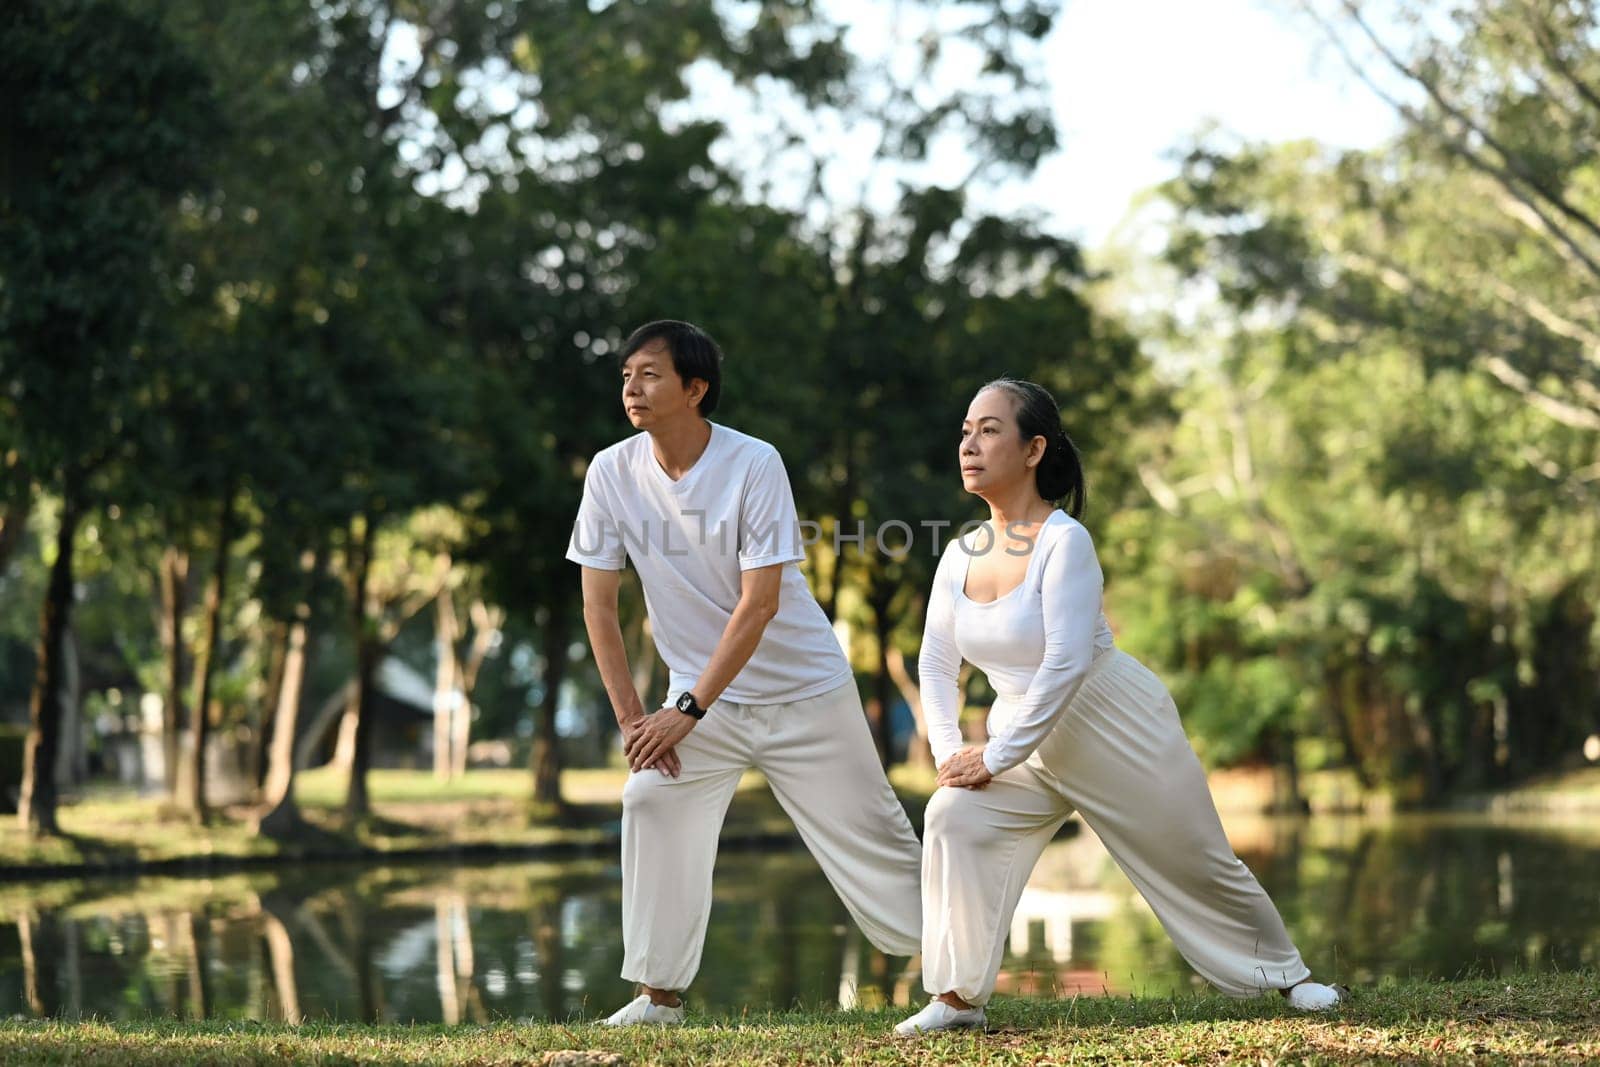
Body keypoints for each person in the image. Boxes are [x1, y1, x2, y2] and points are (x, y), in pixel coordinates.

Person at [895, 378, 1344, 1036]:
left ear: (1032, 449)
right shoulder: (959, 554)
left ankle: (1289, 976)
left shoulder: (1063, 542)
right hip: (1022, 737)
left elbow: (1066, 662)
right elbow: (936, 663)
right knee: (955, 814)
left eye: (990, 429)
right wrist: (947, 753)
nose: (969, 442)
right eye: (966, 429)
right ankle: (957, 998)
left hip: (1111, 723)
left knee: (1199, 856)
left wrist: (995, 752)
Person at [566, 319, 923, 1026]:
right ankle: (658, 997)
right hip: (699, 702)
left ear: (695, 388)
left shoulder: (754, 462)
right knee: (651, 801)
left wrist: (686, 707)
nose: (632, 388)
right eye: (626, 375)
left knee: (875, 837)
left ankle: (959, 979)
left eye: (651, 374)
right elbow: (599, 607)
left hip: (804, 692)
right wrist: (636, 720)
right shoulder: (612, 471)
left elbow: (758, 603)